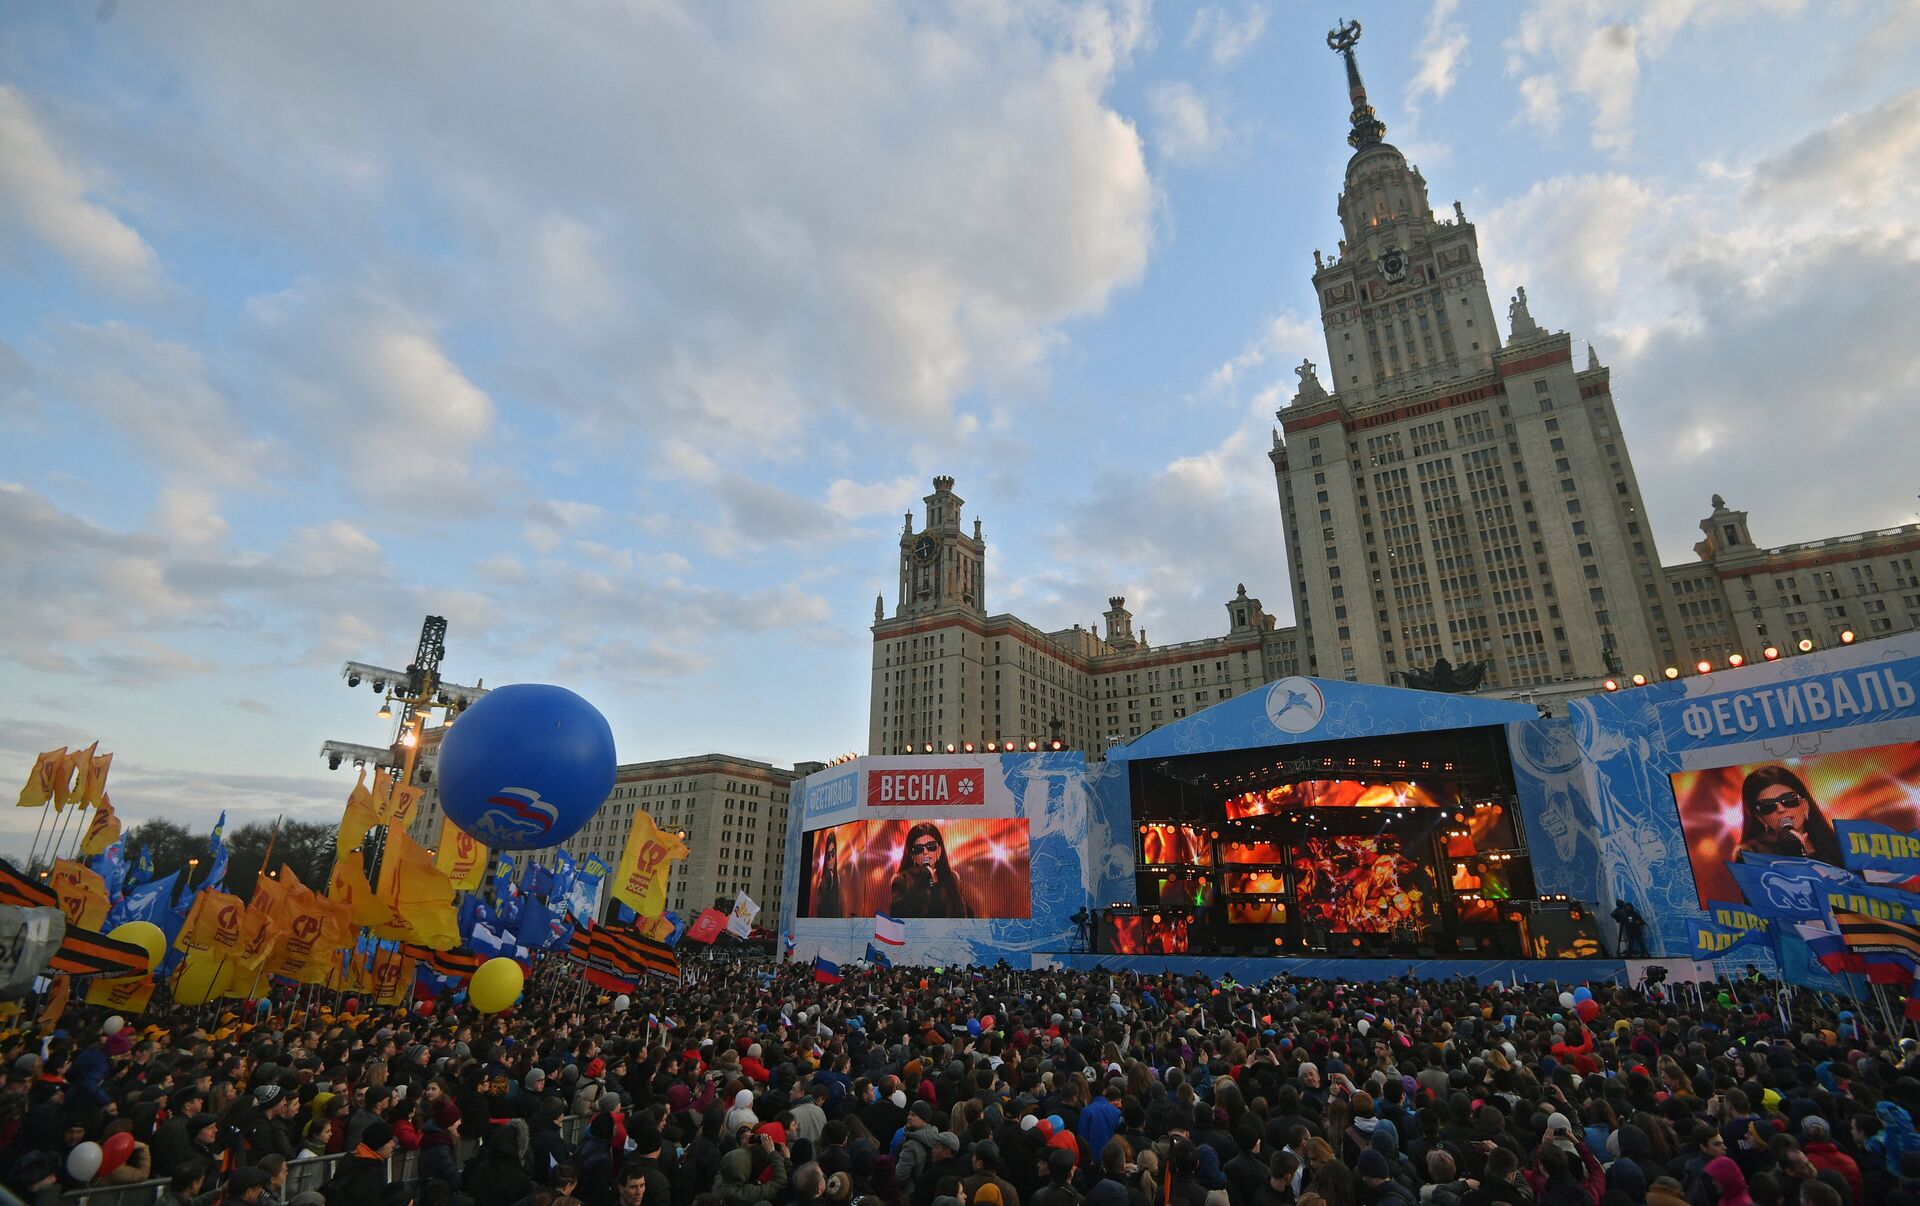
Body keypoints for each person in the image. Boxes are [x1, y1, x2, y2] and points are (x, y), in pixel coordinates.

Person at [1734, 766, 1844, 864]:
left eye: (1788, 799)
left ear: (1805, 805)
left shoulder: (1839, 845)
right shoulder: (1753, 856)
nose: (1780, 809)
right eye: (1767, 806)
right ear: (1760, 818)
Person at [889, 823, 975, 919]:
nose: (925, 852)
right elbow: (897, 915)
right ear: (913, 856)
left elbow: (965, 914)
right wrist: (921, 879)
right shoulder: (902, 880)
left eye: (931, 846)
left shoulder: (952, 878)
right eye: (919, 849)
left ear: (939, 851)